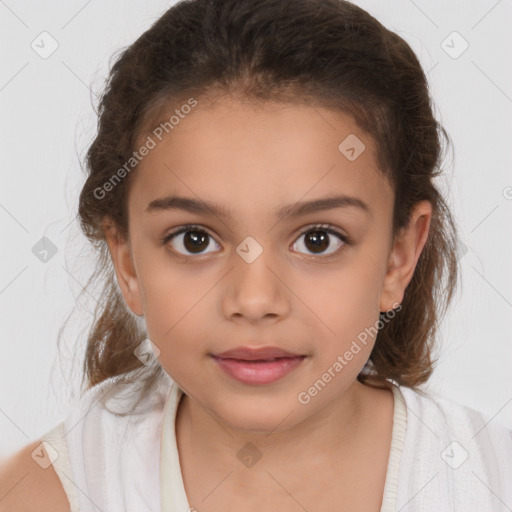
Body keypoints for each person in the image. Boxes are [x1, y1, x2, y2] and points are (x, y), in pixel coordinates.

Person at [1, 0, 511, 511]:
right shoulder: (38, 496)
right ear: (128, 261)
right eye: (194, 239)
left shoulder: (489, 481)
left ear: (399, 256)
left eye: (317, 239)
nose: (254, 300)